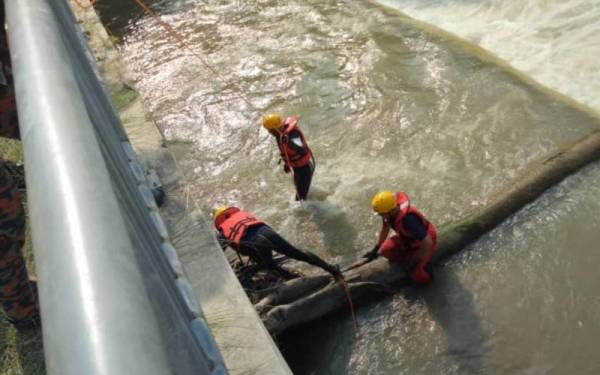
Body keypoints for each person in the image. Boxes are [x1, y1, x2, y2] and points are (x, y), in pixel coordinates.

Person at [213, 206, 341, 279]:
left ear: (219, 221)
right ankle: (332, 269)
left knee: (271, 267)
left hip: (257, 244)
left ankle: (297, 279)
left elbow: (217, 254)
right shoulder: (242, 215)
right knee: (298, 253)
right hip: (268, 233)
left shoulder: (222, 232)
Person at [363, 191, 437, 284]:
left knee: (417, 274)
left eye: (381, 214)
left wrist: (413, 259)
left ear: (390, 211)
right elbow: (385, 229)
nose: (380, 216)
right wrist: (376, 248)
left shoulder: (408, 220)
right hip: (408, 239)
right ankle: (404, 261)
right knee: (384, 250)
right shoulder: (389, 214)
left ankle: (428, 274)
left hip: (425, 243)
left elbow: (428, 242)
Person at [262, 113, 314, 201]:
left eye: (270, 130)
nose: (269, 132)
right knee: (299, 192)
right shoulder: (279, 134)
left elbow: (301, 150)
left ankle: (305, 212)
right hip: (297, 168)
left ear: (276, 128)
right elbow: (286, 152)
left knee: (300, 199)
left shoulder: (292, 134)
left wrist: (289, 142)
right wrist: (287, 164)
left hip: (305, 169)